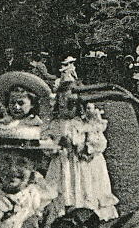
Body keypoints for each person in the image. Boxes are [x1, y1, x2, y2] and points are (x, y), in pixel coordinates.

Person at [48, 88, 120, 220]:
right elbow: (48, 144)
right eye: (62, 104)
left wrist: (88, 147)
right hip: (64, 163)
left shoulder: (87, 123)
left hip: (86, 164)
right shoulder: (56, 124)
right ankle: (63, 214)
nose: (67, 109)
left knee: (87, 188)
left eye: (71, 105)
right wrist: (57, 144)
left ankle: (89, 215)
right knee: (64, 189)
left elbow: (100, 142)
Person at [0, 70, 53, 144]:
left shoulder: (39, 125)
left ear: (32, 104)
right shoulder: (1, 125)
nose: (16, 107)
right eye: (12, 102)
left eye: (21, 103)